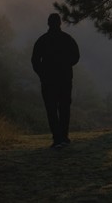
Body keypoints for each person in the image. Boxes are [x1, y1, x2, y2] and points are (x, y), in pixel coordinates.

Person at [31, 13, 80, 148]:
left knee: (51, 109)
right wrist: (66, 65)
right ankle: (64, 137)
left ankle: (57, 138)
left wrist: (43, 74)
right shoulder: (67, 39)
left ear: (48, 23)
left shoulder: (42, 40)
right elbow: (76, 57)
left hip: (48, 82)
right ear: (59, 23)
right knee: (64, 108)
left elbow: (35, 61)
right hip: (65, 79)